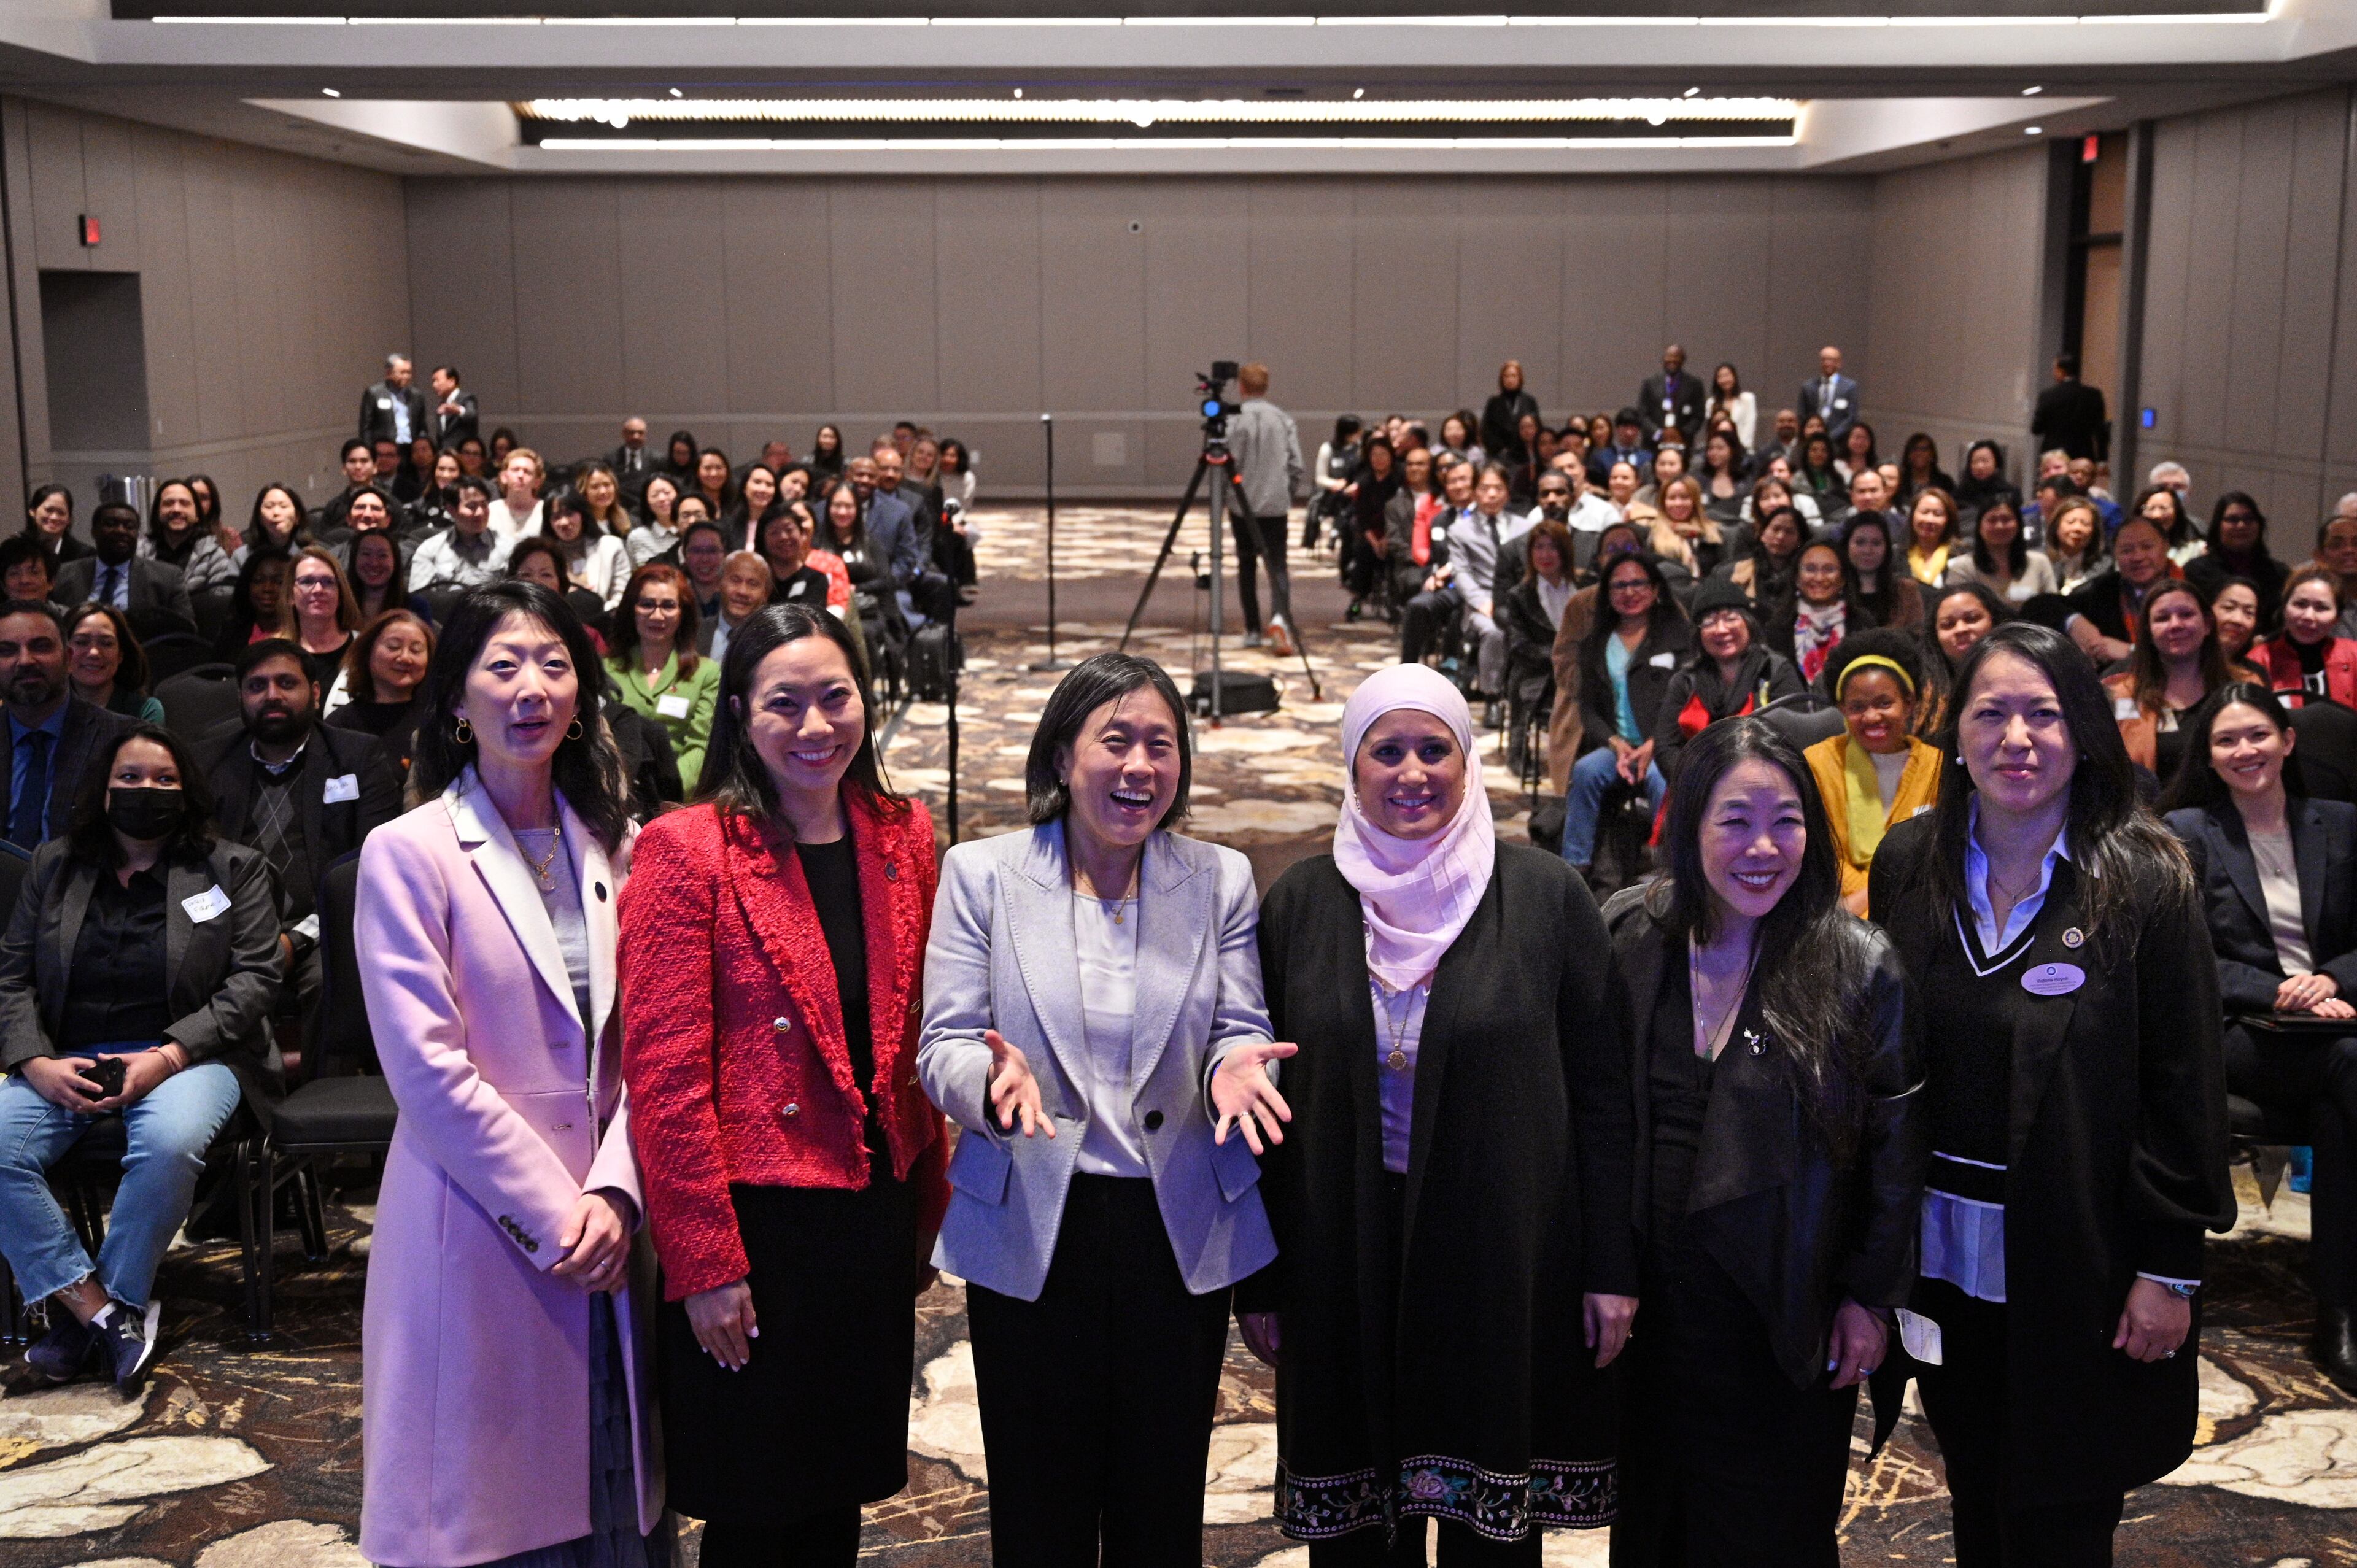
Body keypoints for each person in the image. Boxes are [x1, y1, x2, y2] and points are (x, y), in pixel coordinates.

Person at [1247, 663, 1635, 1562]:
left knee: (1487, 1527)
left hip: (1501, 1249)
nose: (1411, 772)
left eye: (1435, 749)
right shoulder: (1302, 903)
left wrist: (1611, 1265)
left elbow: (1606, 1097)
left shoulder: (1545, 895)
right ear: (1353, 767)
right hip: (1341, 1245)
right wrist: (1260, 1280)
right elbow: (1261, 1106)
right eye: (1387, 751)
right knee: (1353, 1526)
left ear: (1468, 765)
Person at [1867, 622, 2232, 1568]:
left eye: (2045, 713)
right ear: (1955, 733)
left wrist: (2170, 1265)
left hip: (2084, 1260)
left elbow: (2185, 1086)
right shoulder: (1912, 861)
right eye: (1990, 713)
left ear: (2085, 733)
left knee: (2064, 1510)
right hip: (1945, 1254)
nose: (2016, 738)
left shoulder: (2146, 879)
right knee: (1977, 1484)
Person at [915, 653, 1284, 1563]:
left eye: (1161, 744)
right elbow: (945, 1041)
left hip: (1175, 1223)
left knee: (1160, 1507)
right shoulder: (983, 874)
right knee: (1039, 1509)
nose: (1140, 766)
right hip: (1039, 1219)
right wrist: (989, 1091)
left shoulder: (1219, 877)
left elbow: (1241, 1023)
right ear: (1062, 755)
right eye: (1115, 740)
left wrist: (1233, 1067)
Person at [621, 603, 944, 1568]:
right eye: (784, 704)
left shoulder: (903, 832)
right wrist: (705, 1263)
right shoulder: (689, 848)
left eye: (835, 696)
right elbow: (666, 1079)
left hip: (871, 1213)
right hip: (756, 1229)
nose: (815, 726)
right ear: (740, 717)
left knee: (838, 1489)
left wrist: (926, 1214)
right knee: (758, 1507)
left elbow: (920, 1031)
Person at [356, 581, 664, 1568]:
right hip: (481, 1222)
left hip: (614, 1223)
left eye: (554, 664)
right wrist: (562, 1213)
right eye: (502, 665)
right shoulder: (408, 853)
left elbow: (654, 1043)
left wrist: (616, 1188)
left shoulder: (625, 843)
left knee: (611, 1506)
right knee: (496, 1513)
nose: (531, 688)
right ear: (456, 697)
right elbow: (427, 1069)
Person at [1608, 716, 1921, 1566]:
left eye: (1786, 819)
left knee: (1770, 1526)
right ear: (1689, 825)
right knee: (1656, 1517)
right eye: (1735, 819)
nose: (1763, 846)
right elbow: (1595, 1116)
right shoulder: (1635, 935)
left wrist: (1870, 1295)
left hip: (1785, 1294)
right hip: (1651, 1300)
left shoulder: (1857, 961)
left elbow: (1894, 1148)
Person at [0, 724, 279, 1391]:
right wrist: (35, 1061)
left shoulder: (232, 867)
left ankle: (104, 1309)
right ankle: (100, 1311)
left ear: (186, 792)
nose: (145, 790)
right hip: (65, 1059)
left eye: (162, 779)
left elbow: (256, 979)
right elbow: (11, 977)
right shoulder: (54, 864)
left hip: (191, 1055)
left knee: (168, 1140)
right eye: (129, 777)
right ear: (102, 789)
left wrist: (169, 1053)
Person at [2159, 684, 2357, 1391]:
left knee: (2341, 1106)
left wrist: (2330, 979)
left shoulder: (2342, 822)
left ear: (2289, 740)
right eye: (2226, 741)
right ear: (2208, 756)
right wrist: (2276, 989)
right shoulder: (2186, 830)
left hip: (2335, 1026)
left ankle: (2339, 1310)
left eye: (2257, 736)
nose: (2245, 751)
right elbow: (2182, 956)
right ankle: (2341, 1312)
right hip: (2240, 1032)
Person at [200, 637, 399, 1040]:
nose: (271, 695)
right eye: (257, 686)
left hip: (325, 924)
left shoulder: (357, 756)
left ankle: (318, 1096)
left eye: (286, 683)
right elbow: (194, 864)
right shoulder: (209, 761)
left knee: (333, 980)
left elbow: (374, 863)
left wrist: (298, 939)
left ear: (314, 692)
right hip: (230, 926)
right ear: (240, 696)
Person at [1563, 552, 1690, 878]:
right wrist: (1614, 743)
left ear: (1655, 590)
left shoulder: (1679, 637)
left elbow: (1687, 700)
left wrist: (1655, 744)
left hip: (1664, 745)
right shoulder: (1596, 642)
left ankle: (1672, 872)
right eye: (1619, 585)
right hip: (1618, 748)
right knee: (1585, 771)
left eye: (1638, 583)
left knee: (1666, 779)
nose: (1629, 592)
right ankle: (1574, 868)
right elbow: (1588, 708)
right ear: (1607, 594)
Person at [1802, 631, 1941, 917]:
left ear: (1909, 703)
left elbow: (1937, 857)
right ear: (1841, 709)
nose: (1872, 717)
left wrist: (1867, 897)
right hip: (1834, 911)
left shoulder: (1937, 766)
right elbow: (1820, 854)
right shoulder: (1817, 762)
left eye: (1884, 703)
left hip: (1918, 910)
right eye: (1857, 707)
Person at [2, 601, 139, 849]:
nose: (24, 661)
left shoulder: (123, 741)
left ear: (69, 659)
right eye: (7, 651)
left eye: (41, 646)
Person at [1652, 577, 1806, 784]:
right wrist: (1694, 783)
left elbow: (1795, 739)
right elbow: (1666, 746)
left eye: (1731, 619)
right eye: (1709, 622)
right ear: (1699, 633)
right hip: (1696, 785)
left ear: (1749, 623)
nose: (1721, 629)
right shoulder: (1685, 680)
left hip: (1766, 783)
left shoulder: (1776, 670)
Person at [2105, 579, 2252, 780]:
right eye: (2163, 618)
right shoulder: (2120, 695)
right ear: (2148, 630)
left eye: (2186, 615)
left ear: (2208, 624)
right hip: (2151, 810)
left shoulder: (2246, 686)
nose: (2175, 625)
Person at [605, 563, 720, 794]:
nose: (657, 616)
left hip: (678, 797)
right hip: (617, 794)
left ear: (682, 613)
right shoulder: (605, 670)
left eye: (668, 606)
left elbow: (701, 746)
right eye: (647, 604)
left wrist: (666, 793)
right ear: (632, 609)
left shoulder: (707, 673)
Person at [1227, 362, 1306, 655]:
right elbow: (1297, 464)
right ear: (1266, 386)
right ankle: (1280, 620)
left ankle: (1251, 630)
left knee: (1246, 565)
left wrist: (1228, 497)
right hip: (1276, 505)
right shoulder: (1283, 419)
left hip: (1242, 506)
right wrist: (1286, 493)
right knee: (1278, 567)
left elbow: (1226, 462)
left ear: (1241, 386)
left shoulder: (1233, 420)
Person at [2065, 514, 2177, 666]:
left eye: (2147, 547)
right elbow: (2042, 605)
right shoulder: (2102, 590)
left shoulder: (2196, 587)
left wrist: (2131, 652)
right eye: (2127, 551)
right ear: (2115, 555)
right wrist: (2075, 622)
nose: (2137, 557)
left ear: (2166, 546)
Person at [2251, 566, 2357, 710]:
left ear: (2337, 617)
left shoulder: (2354, 655)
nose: (2308, 616)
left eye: (2322, 608)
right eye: (2300, 604)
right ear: (2284, 608)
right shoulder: (2259, 660)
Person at [1768, 540, 1870, 686]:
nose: (1819, 578)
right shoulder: (1779, 626)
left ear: (1842, 580)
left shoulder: (1862, 623)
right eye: (1810, 569)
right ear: (1797, 578)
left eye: (1829, 570)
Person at [2184, 492, 2286, 631]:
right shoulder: (2196, 571)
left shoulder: (2280, 574)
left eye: (2249, 519)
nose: (2242, 525)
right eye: (2232, 519)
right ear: (2218, 526)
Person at [327, 609, 434, 737]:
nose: (405, 657)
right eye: (393, 647)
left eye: (416, 650)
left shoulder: (438, 721)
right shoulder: (340, 725)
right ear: (367, 652)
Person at [409, 477, 513, 593]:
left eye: (484, 505)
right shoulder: (430, 550)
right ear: (451, 510)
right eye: (472, 507)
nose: (480, 513)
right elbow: (419, 598)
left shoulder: (508, 547)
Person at [64, 605, 164, 725]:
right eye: (81, 642)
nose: (94, 653)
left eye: (106, 644)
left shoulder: (144, 709)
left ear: (121, 655)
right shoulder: (47, 708)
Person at [287, 546, 362, 692]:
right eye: (307, 581)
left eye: (327, 582)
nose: (318, 590)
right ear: (291, 595)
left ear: (340, 594)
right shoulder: (275, 653)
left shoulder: (365, 649)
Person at [543, 490, 632, 612]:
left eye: (570, 514)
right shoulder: (543, 555)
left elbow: (623, 595)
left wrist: (594, 609)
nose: (564, 522)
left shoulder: (611, 546)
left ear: (583, 514)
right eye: (556, 517)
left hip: (605, 620)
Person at [1843, 511, 1921, 633]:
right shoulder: (1834, 591)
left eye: (1876, 543)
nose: (1868, 550)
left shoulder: (1907, 591)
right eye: (1860, 542)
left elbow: (1917, 639)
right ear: (1846, 546)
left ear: (1887, 548)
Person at [2031, 353, 2110, 463]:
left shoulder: (2048, 396)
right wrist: (2102, 459)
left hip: (2054, 455)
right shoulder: (2093, 395)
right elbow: (2100, 431)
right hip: (2083, 454)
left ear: (2060, 371)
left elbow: (2036, 429)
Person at [1639, 344, 1706, 447]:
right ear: (1663, 359)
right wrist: (1659, 434)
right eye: (1669, 356)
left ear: (1683, 360)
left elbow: (1699, 416)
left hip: (1683, 442)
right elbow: (1642, 414)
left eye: (1677, 357)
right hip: (1653, 444)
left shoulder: (1694, 384)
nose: (1672, 360)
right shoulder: (1650, 383)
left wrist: (1682, 434)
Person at [2044, 496, 2110, 597]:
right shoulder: (2041, 560)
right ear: (2056, 526)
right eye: (2071, 522)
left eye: (2085, 524)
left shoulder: (2105, 565)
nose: (2077, 529)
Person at [358, 353, 427, 448]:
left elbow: (422, 427)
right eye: (402, 373)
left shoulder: (416, 396)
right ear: (389, 373)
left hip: (411, 449)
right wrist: (370, 450)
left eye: (409, 373)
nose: (406, 376)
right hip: (385, 450)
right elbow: (366, 428)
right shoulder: (374, 394)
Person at [1482, 360, 1541, 468]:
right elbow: (1487, 431)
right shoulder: (1494, 402)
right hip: (1499, 455)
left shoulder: (1529, 401)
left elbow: (1537, 428)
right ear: (1502, 379)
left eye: (1514, 376)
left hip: (1525, 455)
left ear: (1520, 378)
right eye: (1506, 376)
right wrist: (1501, 451)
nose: (1510, 380)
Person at [1797, 346, 1860, 442]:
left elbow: (1851, 418)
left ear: (1839, 363)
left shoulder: (1849, 387)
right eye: (1824, 360)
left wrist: (1830, 437)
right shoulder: (1808, 387)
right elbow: (1802, 416)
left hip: (1839, 442)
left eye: (1831, 360)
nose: (1827, 363)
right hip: (1812, 442)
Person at [23, 483, 91, 568]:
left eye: (61, 513)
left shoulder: (85, 557)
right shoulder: (15, 552)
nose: (54, 517)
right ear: (33, 511)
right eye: (49, 510)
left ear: (70, 519)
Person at [1706, 362, 1757, 450]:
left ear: (1734, 377)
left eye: (1727, 376)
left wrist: (1738, 450)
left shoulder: (1747, 399)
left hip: (1742, 450)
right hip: (1719, 451)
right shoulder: (1711, 403)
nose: (1724, 380)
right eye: (1720, 377)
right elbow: (1710, 431)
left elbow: (1749, 428)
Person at [427, 363, 478, 449]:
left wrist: (458, 410)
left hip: (462, 455)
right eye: (433, 381)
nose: (434, 385)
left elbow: (472, 415)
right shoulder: (442, 406)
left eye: (437, 381)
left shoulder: (467, 399)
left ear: (451, 382)